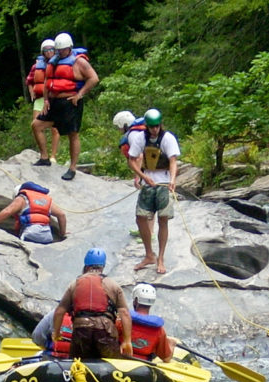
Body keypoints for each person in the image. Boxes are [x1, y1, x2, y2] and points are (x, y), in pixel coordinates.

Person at [31, 32, 99, 181]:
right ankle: (44, 157)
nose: (60, 53)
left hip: (70, 103)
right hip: (54, 103)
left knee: (72, 134)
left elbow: (93, 78)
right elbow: (47, 81)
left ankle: (73, 168)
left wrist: (79, 94)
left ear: (69, 48)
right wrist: (46, 100)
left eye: (63, 50)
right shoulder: (53, 62)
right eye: (59, 50)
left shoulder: (79, 62)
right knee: (36, 125)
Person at [52, 248, 133, 359]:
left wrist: (56, 332)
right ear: (102, 267)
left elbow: (60, 311)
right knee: (112, 363)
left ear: (86, 266)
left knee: (77, 364)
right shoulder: (113, 285)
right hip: (105, 330)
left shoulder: (74, 284)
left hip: (81, 329)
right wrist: (127, 341)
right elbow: (124, 313)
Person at [127, 108, 180, 274]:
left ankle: (161, 258)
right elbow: (132, 160)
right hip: (148, 181)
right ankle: (149, 254)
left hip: (163, 182)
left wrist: (172, 180)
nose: (155, 129)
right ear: (147, 126)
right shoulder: (140, 138)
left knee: (163, 219)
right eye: (151, 127)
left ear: (160, 124)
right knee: (141, 216)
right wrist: (142, 176)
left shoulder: (168, 138)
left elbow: (172, 160)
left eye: (157, 126)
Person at [113, 111, 155, 235]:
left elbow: (140, 156)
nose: (119, 130)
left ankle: (149, 232)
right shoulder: (139, 132)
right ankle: (143, 229)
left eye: (119, 127)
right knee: (145, 202)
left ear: (124, 124)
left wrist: (138, 177)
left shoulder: (133, 135)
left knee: (148, 203)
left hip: (148, 173)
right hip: (149, 170)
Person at [0, 181, 66, 244]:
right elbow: (61, 215)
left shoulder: (22, 198)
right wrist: (62, 234)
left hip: (30, 234)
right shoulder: (46, 200)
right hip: (47, 236)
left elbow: (8, 211)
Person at [26, 39, 60, 164]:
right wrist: (31, 92)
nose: (49, 52)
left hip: (53, 99)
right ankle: (43, 155)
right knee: (35, 124)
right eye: (46, 50)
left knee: (55, 129)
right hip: (40, 99)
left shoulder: (59, 64)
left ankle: (53, 156)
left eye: (51, 49)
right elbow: (29, 80)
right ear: (43, 52)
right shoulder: (37, 66)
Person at [128, 283, 175, 362]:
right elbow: (166, 359)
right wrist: (172, 344)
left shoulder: (121, 321)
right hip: (143, 365)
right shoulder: (159, 331)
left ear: (135, 301)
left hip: (120, 359)